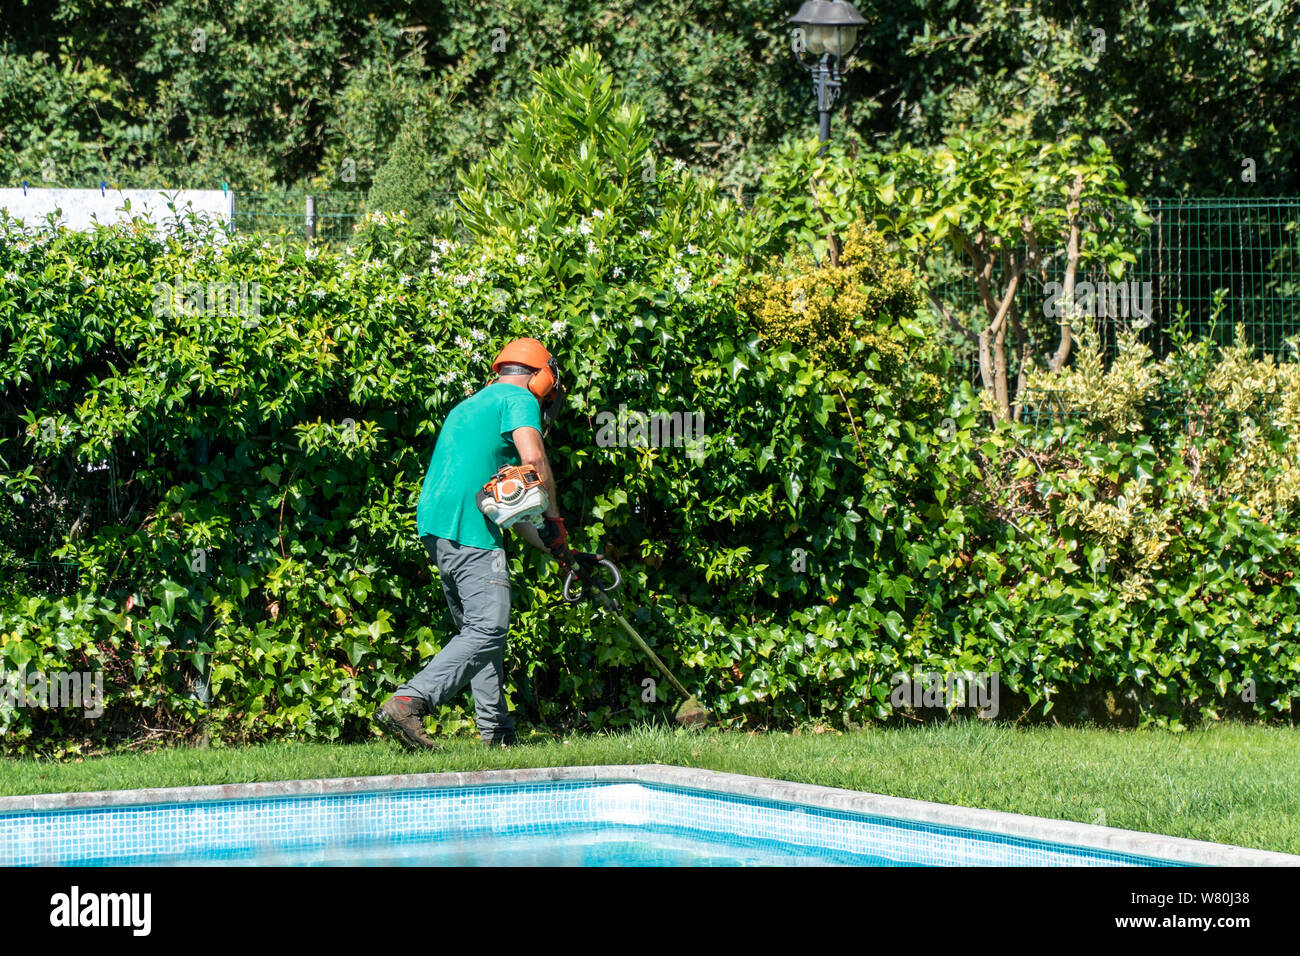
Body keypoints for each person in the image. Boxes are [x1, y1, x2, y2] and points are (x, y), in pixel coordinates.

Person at [374, 337, 568, 749]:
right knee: (490, 626)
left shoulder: (471, 406)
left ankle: (497, 731)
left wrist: (554, 547)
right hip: (469, 526)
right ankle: (410, 700)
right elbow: (533, 460)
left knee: (479, 632)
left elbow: (509, 509)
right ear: (540, 375)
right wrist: (555, 519)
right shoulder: (520, 399)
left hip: (439, 524)